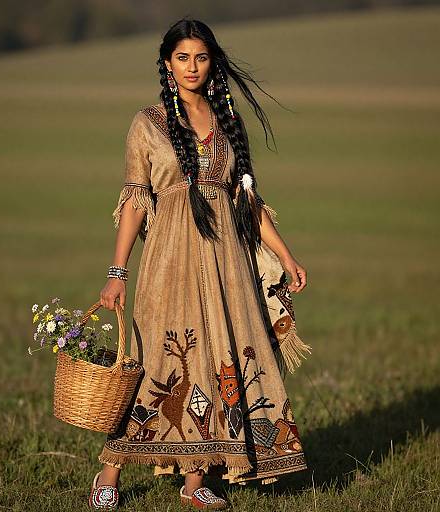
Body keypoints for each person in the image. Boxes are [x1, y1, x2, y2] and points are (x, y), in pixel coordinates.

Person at [90, 18, 310, 511]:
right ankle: (110, 470)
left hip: (226, 262)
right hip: (169, 260)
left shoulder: (228, 123)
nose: (192, 67)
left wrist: (286, 254)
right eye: (183, 57)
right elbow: (133, 199)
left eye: (201, 57)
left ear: (212, 63)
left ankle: (197, 481)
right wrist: (116, 272)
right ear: (167, 64)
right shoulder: (147, 123)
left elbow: (247, 201)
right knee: (158, 362)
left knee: (215, 359)